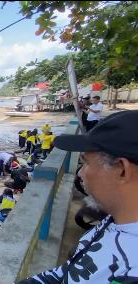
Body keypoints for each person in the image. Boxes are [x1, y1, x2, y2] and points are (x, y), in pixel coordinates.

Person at [19, 110, 138, 283]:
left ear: (122, 169)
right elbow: (67, 272)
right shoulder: (116, 219)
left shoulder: (131, 271)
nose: (80, 173)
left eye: (86, 163)